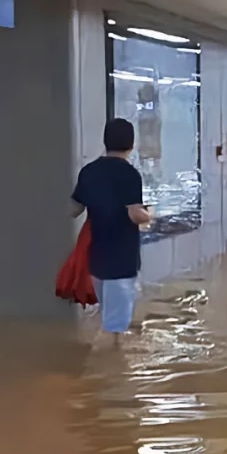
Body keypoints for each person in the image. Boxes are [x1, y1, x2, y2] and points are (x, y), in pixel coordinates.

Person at [70, 118, 152, 345]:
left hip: (97, 259)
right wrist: (149, 215)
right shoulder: (129, 174)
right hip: (122, 260)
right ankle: (105, 364)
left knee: (107, 315)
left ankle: (107, 358)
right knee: (114, 329)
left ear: (105, 141)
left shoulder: (89, 172)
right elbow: (134, 214)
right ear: (131, 144)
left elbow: (74, 210)